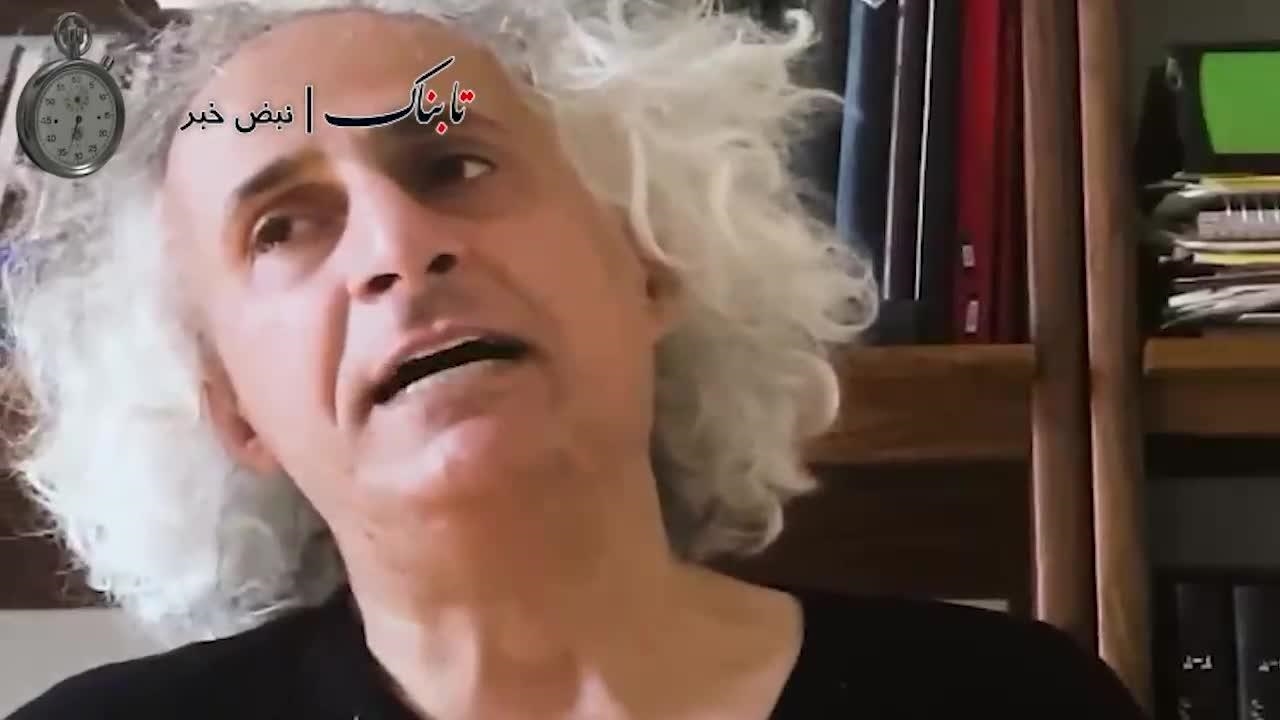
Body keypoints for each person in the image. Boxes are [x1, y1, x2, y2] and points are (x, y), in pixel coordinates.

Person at [2, 1, 1146, 719]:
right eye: (283, 228)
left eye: (451, 165)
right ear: (232, 410)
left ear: (646, 263)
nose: (395, 247)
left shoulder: (1008, 702)